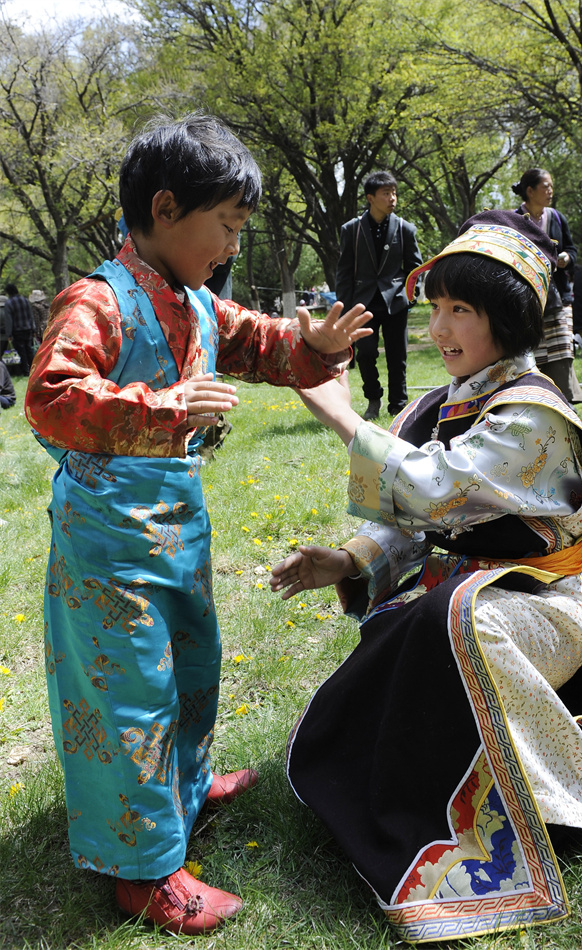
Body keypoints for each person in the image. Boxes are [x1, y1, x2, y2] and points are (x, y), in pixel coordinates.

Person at [24, 114, 372, 937]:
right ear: (166, 206)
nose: (232, 247)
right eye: (225, 226)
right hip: (108, 544)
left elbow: (262, 343)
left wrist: (310, 346)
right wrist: (164, 408)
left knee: (191, 666)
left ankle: (183, 788)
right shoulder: (96, 300)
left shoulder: (199, 304)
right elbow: (49, 395)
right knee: (130, 694)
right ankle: (142, 874)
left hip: (177, 528)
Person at [270, 210, 582, 944]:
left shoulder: (531, 415)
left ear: (506, 322)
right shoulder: (441, 404)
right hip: (463, 604)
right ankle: (418, 791)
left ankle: (528, 800)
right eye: (436, 308)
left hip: (545, 612)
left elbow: (437, 486)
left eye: (461, 311)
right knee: (430, 620)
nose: (439, 328)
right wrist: (348, 560)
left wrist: (347, 420)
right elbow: (418, 523)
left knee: (450, 620)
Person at [335, 170, 423, 420]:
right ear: (370, 197)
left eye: (394, 193)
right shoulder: (351, 229)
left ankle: (398, 405)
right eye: (386, 193)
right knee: (365, 354)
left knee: (398, 357)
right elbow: (344, 271)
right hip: (363, 303)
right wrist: (345, 308)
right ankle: (373, 399)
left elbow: (414, 268)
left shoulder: (406, 229)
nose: (392, 198)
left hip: (395, 301)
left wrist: (410, 297)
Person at [513, 168, 582, 403]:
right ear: (530, 190)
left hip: (559, 296)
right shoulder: (514, 219)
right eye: (546, 186)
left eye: (551, 185)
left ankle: (566, 400)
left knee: (562, 349)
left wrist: (566, 258)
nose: (550, 190)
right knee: (535, 351)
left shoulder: (556, 217)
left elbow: (572, 250)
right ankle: (537, 399)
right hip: (528, 298)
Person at [3, 282, 35, 376]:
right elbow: (30, 315)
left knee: (22, 351)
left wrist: (9, 334)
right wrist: (33, 328)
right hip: (28, 329)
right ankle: (34, 369)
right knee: (29, 350)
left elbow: (9, 320)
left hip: (17, 330)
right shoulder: (24, 300)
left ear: (8, 292)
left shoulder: (9, 303)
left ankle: (26, 371)